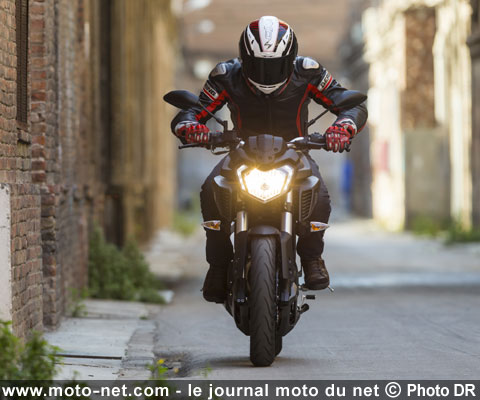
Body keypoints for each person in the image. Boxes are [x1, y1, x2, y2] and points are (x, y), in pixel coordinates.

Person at [171, 16, 368, 303]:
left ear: (290, 57)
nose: (266, 73)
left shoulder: (309, 72)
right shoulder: (225, 75)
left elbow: (351, 105)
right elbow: (193, 111)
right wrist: (191, 126)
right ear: (245, 58)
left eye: (275, 65)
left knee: (320, 195)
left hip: (295, 152)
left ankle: (312, 258)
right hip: (241, 153)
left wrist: (342, 127)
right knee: (210, 190)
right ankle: (218, 265)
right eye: (258, 65)